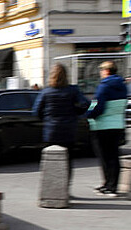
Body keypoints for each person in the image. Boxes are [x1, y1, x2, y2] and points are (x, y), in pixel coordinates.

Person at [33, 63, 89, 183]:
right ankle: (65, 187)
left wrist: (46, 119)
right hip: (68, 130)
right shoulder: (73, 90)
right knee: (67, 161)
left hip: (51, 130)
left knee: (51, 160)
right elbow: (86, 104)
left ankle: (51, 187)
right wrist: (76, 113)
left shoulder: (46, 92)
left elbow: (36, 111)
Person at [84, 61, 127, 197]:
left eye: (101, 70)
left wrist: (88, 114)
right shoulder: (123, 86)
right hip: (117, 125)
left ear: (106, 71)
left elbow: (97, 106)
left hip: (102, 126)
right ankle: (112, 185)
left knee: (104, 156)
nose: (100, 73)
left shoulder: (103, 86)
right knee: (114, 155)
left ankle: (108, 185)